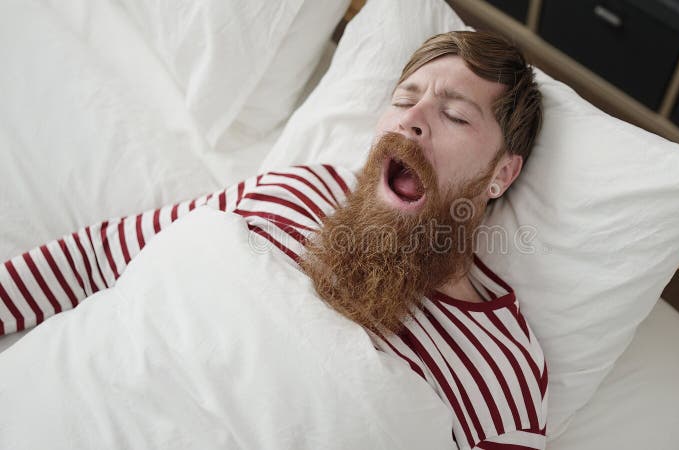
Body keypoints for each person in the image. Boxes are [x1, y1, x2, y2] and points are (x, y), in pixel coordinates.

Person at [0, 31, 546, 449]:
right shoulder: (299, 186)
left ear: (502, 172)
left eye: (454, 115)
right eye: (404, 100)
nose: (413, 121)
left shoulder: (504, 370)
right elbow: (99, 257)